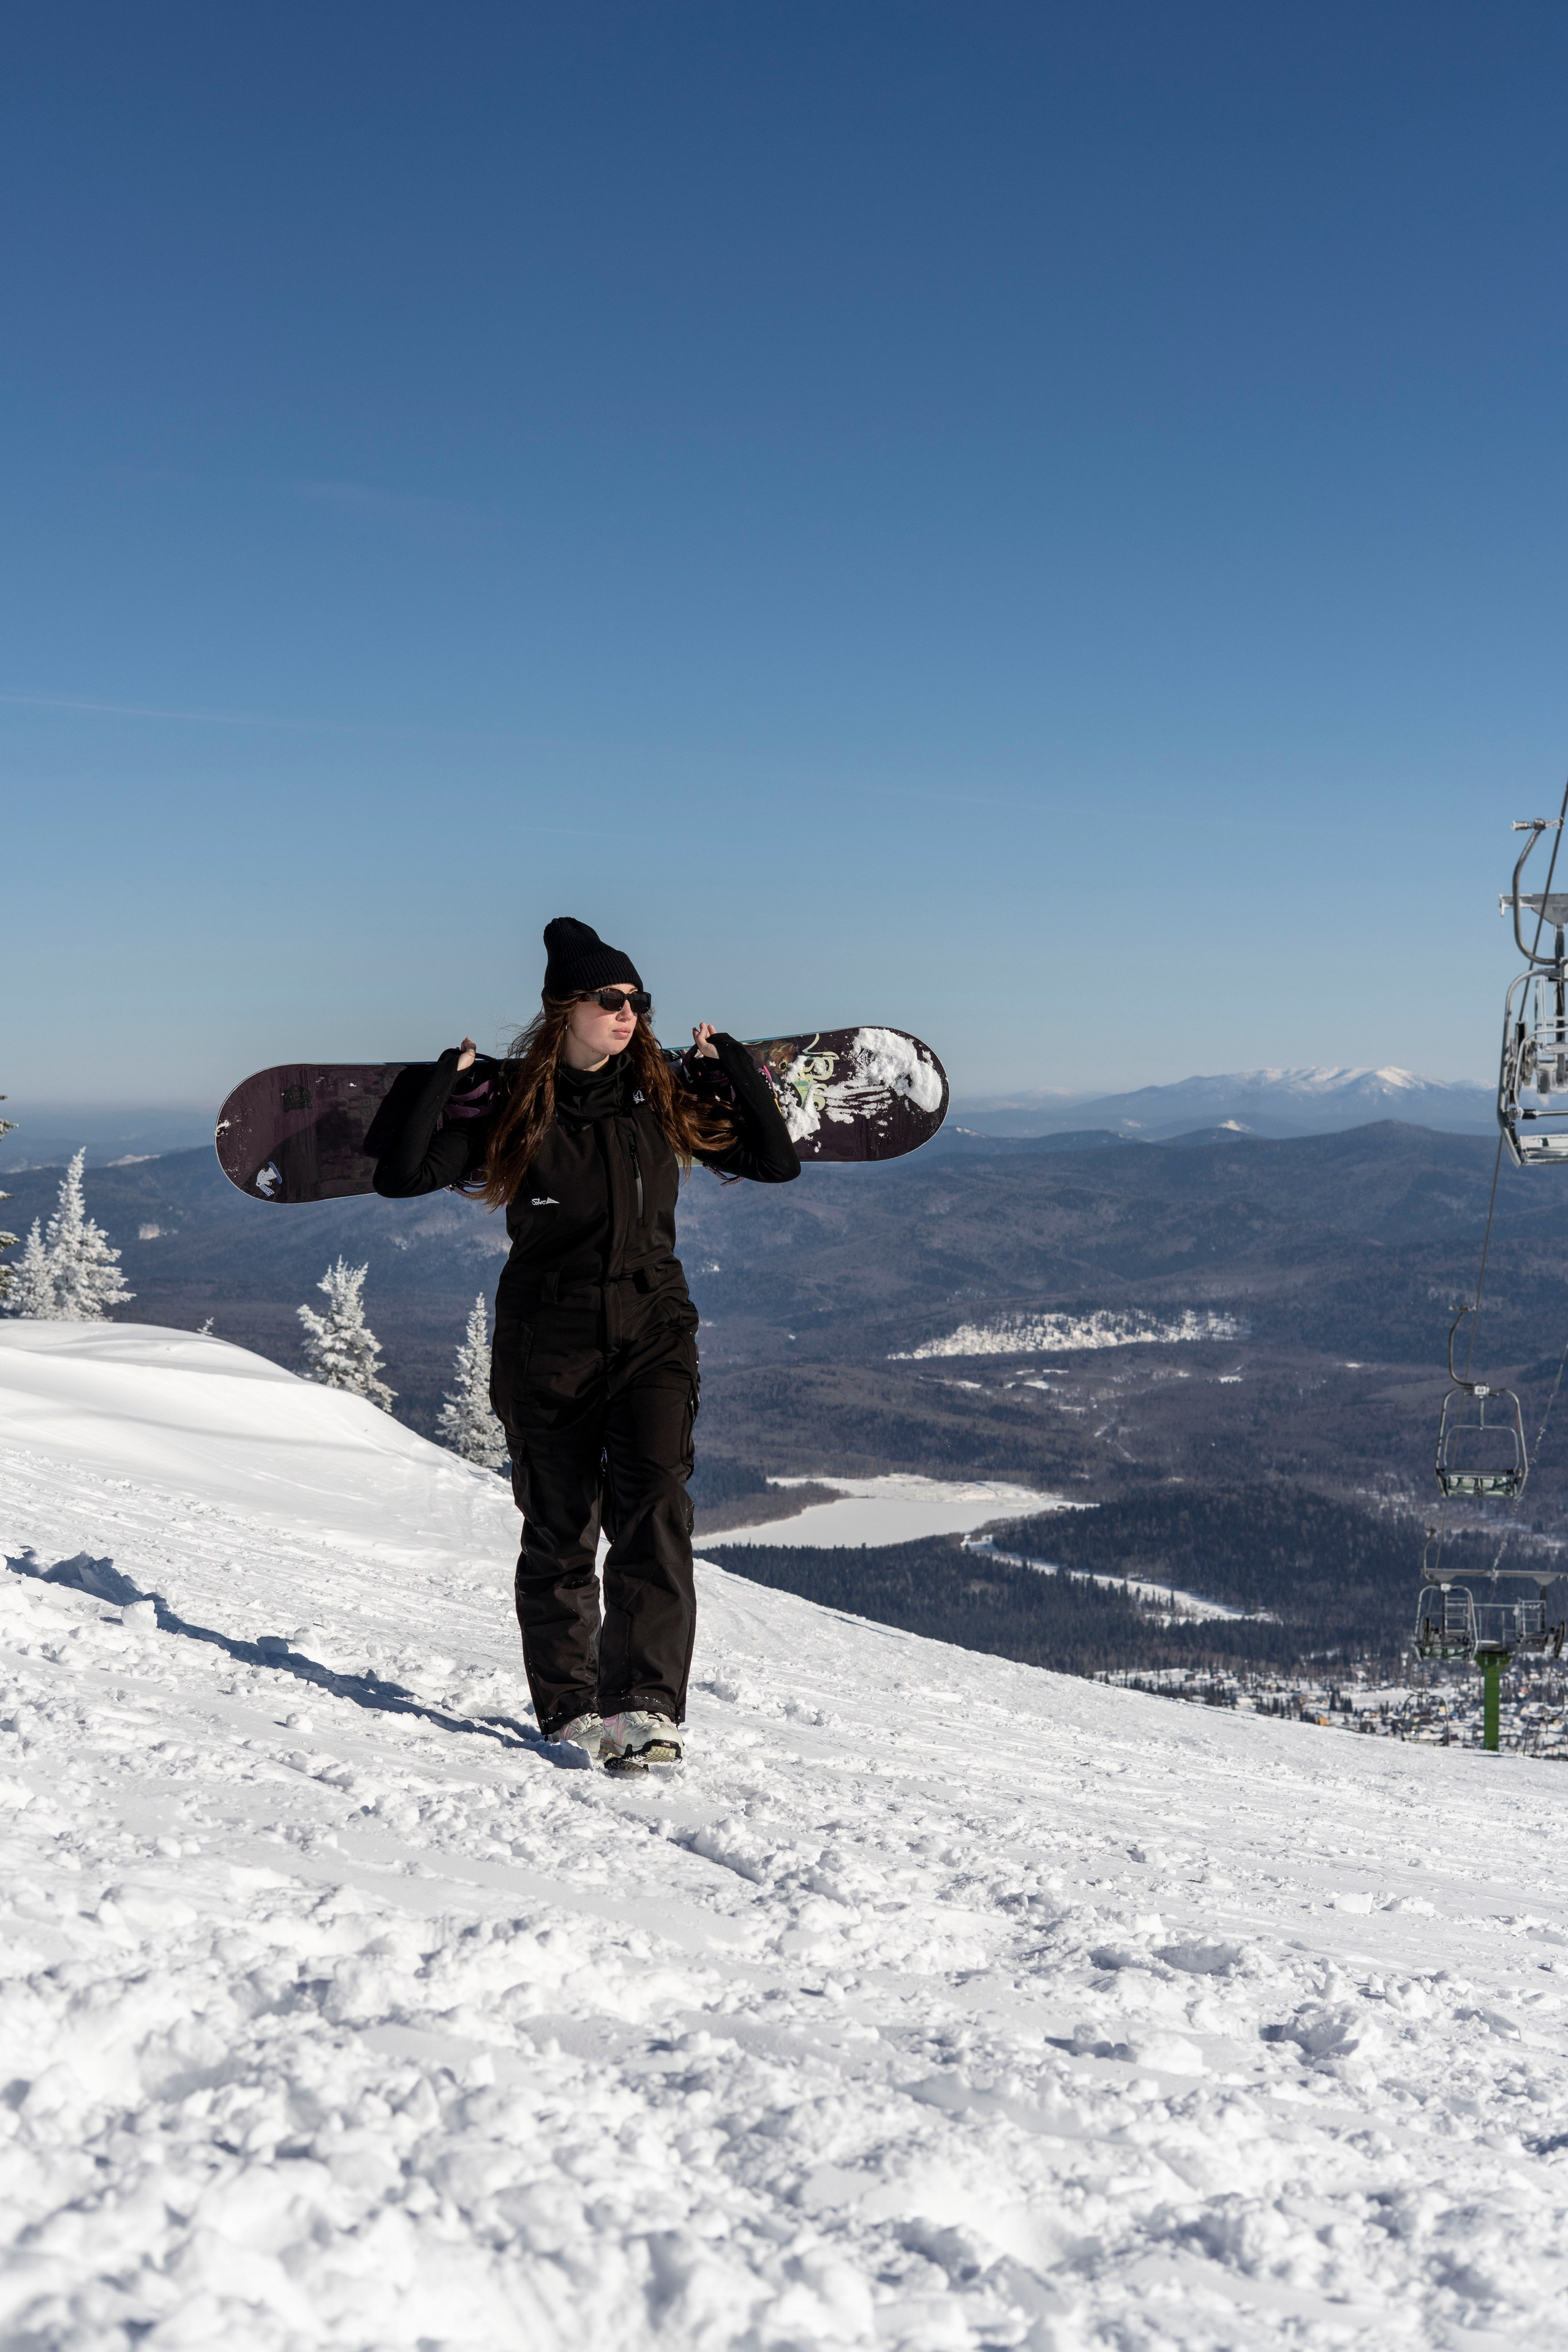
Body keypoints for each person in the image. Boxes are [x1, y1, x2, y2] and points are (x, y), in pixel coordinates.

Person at [373, 916, 799, 1773]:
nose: (629, 1012)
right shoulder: (514, 1109)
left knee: (655, 1515)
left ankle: (644, 1709)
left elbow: (774, 1161)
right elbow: (402, 1175)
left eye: (640, 1000)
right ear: (564, 1007)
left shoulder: (661, 1099)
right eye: (611, 999)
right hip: (548, 1338)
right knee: (563, 1530)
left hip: (654, 1330)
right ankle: (572, 1712)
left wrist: (738, 1071)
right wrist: (437, 1082)